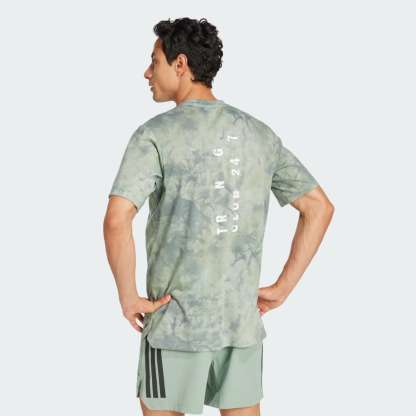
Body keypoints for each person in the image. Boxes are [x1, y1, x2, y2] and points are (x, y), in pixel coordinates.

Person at [103, 16, 334, 416]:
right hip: (239, 324)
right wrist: (282, 288)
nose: (147, 73)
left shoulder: (154, 135)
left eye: (154, 61)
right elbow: (318, 207)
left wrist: (127, 296)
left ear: (180, 64)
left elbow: (116, 218)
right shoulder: (258, 134)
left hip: (173, 326)